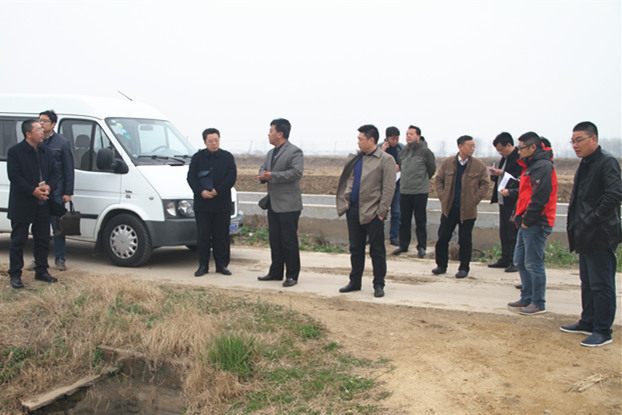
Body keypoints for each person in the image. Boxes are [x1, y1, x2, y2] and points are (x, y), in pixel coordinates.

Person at [561, 122, 621, 347]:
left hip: (600, 234)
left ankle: (603, 330)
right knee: (587, 282)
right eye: (573, 141)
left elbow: (614, 195)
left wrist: (592, 219)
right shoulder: (585, 163)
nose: (575, 145)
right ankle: (587, 321)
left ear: (594, 139)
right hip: (584, 233)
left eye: (579, 140)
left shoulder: (607, 162)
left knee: (601, 284)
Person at [336, 124, 396, 298]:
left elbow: (389, 188)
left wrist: (381, 213)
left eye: (361, 139)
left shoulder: (385, 159)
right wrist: (347, 201)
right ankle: (355, 281)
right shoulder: (357, 158)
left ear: (371, 140)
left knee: (377, 250)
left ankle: (379, 284)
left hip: (373, 212)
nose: (358, 142)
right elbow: (350, 180)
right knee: (356, 248)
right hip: (354, 209)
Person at [507, 132, 557, 315]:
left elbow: (540, 197)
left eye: (521, 148)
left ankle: (538, 302)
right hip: (525, 221)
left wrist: (528, 220)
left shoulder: (543, 167)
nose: (519, 152)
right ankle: (527, 297)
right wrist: (518, 215)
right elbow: (524, 195)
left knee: (533, 263)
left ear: (532, 147)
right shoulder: (530, 166)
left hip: (536, 222)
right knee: (520, 261)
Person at [7, 120, 60, 289]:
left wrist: (49, 187)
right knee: (18, 241)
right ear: (28, 134)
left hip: (42, 203)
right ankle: (15, 274)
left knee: (43, 239)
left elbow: (55, 173)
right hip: (23, 203)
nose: (42, 132)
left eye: (42, 129)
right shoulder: (15, 152)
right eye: (38, 130)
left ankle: (41, 270)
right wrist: (32, 190)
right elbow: (14, 176)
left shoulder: (46, 151)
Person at [433, 135, 491, 279]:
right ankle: (441, 265)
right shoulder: (448, 163)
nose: (473, 148)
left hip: (468, 211)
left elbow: (485, 184)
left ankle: (464, 268)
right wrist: (443, 196)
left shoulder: (478, 165)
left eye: (474, 146)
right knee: (443, 238)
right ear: (460, 147)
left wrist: (474, 199)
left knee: (465, 240)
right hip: (449, 209)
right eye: (470, 146)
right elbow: (438, 180)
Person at [257, 118, 303, 287]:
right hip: (273, 203)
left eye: (271, 131)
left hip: (289, 205)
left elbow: (296, 173)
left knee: (288, 241)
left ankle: (292, 274)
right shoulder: (271, 152)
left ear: (280, 133)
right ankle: (276, 272)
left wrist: (272, 176)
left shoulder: (294, 151)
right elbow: (263, 168)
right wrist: (263, 175)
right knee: (275, 240)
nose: (268, 134)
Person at [187, 128, 237, 277]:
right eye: (211, 141)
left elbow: (231, 177)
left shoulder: (227, 157)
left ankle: (222, 265)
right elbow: (191, 178)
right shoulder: (198, 158)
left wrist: (217, 191)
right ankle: (203, 265)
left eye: (216, 140)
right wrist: (201, 191)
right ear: (205, 142)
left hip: (222, 203)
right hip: (203, 204)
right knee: (203, 236)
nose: (214, 143)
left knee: (221, 236)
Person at [38, 110, 74, 272]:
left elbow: (68, 169)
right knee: (40, 227)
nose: (41, 123)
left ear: (53, 124)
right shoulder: (37, 142)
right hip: (39, 191)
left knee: (58, 227)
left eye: (45, 121)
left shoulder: (62, 143)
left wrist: (68, 192)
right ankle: (39, 259)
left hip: (57, 191)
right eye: (40, 120)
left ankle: (60, 258)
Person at [392, 125, 436, 258]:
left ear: (418, 136)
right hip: (405, 191)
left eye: (411, 134)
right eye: (407, 134)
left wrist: (421, 180)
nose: (408, 136)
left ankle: (421, 246)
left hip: (420, 191)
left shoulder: (426, 152)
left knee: (420, 221)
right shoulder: (403, 151)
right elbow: (401, 167)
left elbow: (431, 169)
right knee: (404, 221)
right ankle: (403, 245)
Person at [488, 132, 521, 273]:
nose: (501, 153)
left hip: (513, 200)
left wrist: (502, 173)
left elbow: (517, 179)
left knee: (512, 232)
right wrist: (495, 174)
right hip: (503, 199)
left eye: (502, 149)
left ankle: (514, 261)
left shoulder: (518, 158)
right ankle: (505, 258)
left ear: (509, 145)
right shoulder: (504, 159)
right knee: (504, 231)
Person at [380, 126, 403, 246]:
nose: (395, 141)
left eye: (397, 139)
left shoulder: (401, 148)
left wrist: (400, 167)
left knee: (396, 211)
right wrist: (382, 151)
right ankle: (376, 235)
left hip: (397, 184)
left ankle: (394, 237)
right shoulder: (379, 148)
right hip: (382, 185)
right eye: (392, 139)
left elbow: (406, 163)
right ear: (387, 137)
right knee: (380, 210)